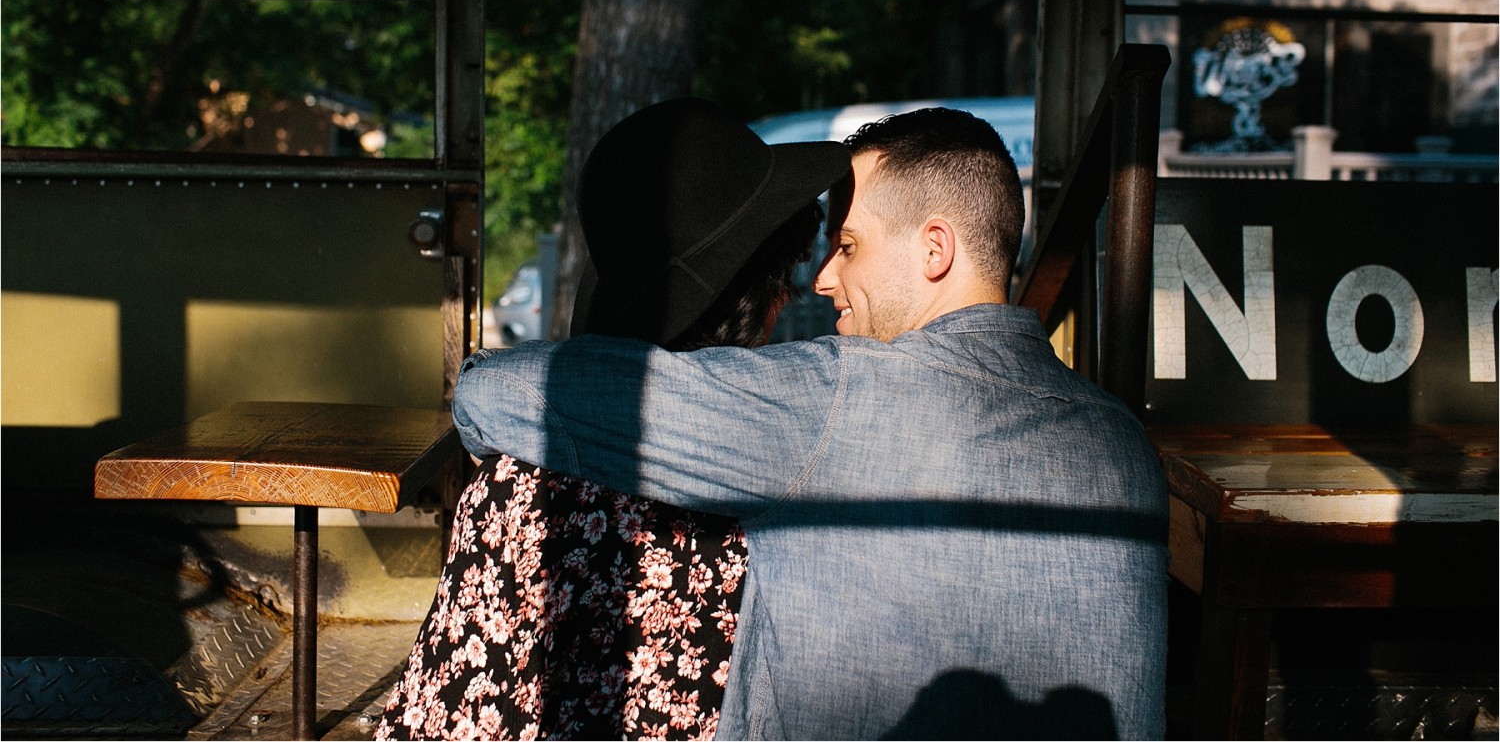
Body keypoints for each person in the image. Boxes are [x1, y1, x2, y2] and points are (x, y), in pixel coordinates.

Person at [452, 107, 1169, 740]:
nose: (822, 277)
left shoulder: (833, 402)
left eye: (848, 245)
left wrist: (474, 379)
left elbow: (511, 394)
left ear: (934, 249)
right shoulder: (1123, 443)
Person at [377, 98, 851, 740]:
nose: (805, 290)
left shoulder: (514, 484)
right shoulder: (792, 469)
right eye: (783, 279)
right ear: (754, 295)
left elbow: (449, 712)